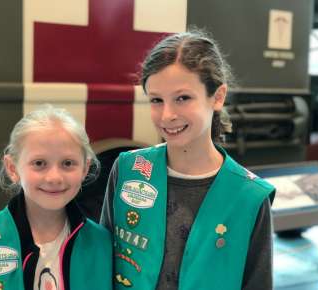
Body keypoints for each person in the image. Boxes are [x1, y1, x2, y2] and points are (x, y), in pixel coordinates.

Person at [100, 29, 275, 290]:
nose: (167, 115)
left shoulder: (249, 197)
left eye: (183, 98)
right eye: (157, 100)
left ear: (217, 97)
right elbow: (102, 263)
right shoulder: (127, 169)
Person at [0, 105, 112, 290]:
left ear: (85, 168)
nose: (54, 178)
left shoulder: (103, 244)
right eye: (39, 163)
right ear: (12, 168)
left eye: (68, 163)